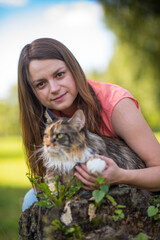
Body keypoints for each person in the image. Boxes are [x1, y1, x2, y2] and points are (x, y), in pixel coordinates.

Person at [18, 38, 160, 211]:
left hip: (137, 192)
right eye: (41, 84)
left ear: (74, 70)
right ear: (32, 92)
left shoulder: (116, 104)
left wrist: (121, 176)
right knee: (31, 199)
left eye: (59, 74)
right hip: (80, 193)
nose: (54, 88)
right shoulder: (45, 116)